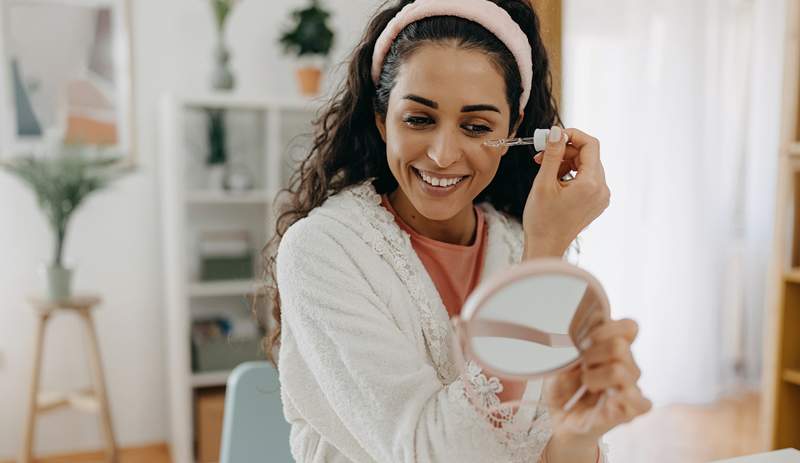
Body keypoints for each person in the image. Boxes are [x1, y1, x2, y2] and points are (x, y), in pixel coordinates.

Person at [259, 0, 651, 461]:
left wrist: (580, 432)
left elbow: (545, 446)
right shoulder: (321, 251)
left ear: (515, 130)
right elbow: (429, 452)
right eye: (419, 119)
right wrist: (545, 254)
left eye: (476, 126)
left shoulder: (516, 244)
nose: (444, 154)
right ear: (383, 120)